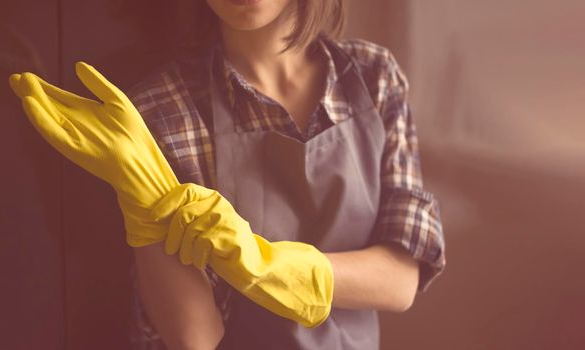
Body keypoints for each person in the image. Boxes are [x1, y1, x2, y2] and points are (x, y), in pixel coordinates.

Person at [126, 0, 446, 349]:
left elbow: (399, 281)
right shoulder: (161, 110)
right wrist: (135, 194)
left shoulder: (373, 76)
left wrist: (265, 265)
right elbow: (193, 340)